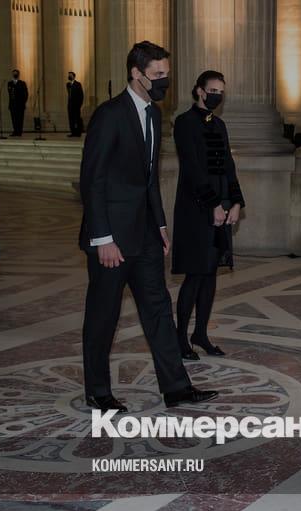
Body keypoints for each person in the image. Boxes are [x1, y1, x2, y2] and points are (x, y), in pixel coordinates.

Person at [78, 41, 218, 412]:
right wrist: (103, 238)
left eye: (166, 74)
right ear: (136, 74)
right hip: (111, 238)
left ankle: (177, 387)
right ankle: (97, 390)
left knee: (158, 309)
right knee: (103, 315)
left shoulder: (154, 115)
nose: (163, 81)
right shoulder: (109, 115)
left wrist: (160, 224)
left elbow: (149, 178)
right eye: (157, 75)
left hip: (145, 235)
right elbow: (92, 180)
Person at [172, 70, 244, 360]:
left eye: (221, 91)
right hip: (196, 207)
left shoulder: (220, 125)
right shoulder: (184, 123)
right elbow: (192, 168)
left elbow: (228, 165)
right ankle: (180, 338)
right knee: (196, 272)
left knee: (211, 271)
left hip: (221, 205)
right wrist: (213, 204)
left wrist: (236, 202)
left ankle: (200, 333)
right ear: (200, 91)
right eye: (213, 90)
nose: (217, 95)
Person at [7, 69, 28, 136]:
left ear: (18, 75)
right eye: (14, 73)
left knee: (20, 119)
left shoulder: (22, 83)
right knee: (14, 119)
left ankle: (19, 131)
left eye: (16, 73)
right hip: (12, 104)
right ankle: (15, 131)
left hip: (20, 104)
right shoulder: (10, 83)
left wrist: (23, 102)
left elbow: (26, 94)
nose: (15, 74)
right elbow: (10, 93)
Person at [67, 71, 84, 137]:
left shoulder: (78, 84)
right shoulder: (68, 84)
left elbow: (81, 95)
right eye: (68, 75)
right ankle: (73, 132)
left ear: (73, 76)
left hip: (76, 105)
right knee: (71, 119)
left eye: (70, 75)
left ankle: (78, 132)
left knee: (77, 119)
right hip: (70, 105)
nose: (69, 76)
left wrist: (79, 104)